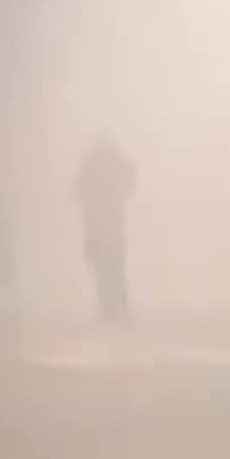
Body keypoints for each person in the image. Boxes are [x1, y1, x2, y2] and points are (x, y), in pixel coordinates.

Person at [74, 139, 137, 324]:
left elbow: (78, 190)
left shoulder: (91, 165)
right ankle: (116, 305)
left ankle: (110, 306)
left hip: (100, 222)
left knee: (105, 265)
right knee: (112, 265)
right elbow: (130, 179)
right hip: (107, 222)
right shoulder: (113, 163)